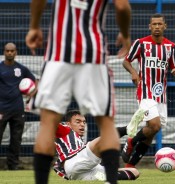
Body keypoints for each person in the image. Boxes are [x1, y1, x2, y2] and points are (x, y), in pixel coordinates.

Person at [25, 0, 131, 184]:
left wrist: (34, 26)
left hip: (58, 54)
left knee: (48, 123)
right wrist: (125, 34)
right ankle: (111, 181)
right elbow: (122, 6)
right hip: (94, 55)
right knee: (106, 124)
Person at [122, 13, 175, 168]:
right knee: (154, 126)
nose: (157, 27)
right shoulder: (141, 43)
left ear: (165, 26)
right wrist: (134, 73)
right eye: (154, 24)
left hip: (161, 95)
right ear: (150, 26)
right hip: (145, 91)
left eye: (160, 24)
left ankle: (130, 166)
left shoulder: (171, 46)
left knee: (152, 131)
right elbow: (126, 61)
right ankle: (130, 141)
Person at [54, 110, 139, 181]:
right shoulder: (65, 129)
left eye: (84, 122)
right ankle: (127, 129)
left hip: (80, 174)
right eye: (78, 122)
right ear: (68, 124)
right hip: (73, 162)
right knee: (97, 143)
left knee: (134, 172)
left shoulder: (78, 140)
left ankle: (104, 177)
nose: (82, 124)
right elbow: (51, 122)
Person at [0, 42, 36, 170]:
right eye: (7, 51)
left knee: (16, 139)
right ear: (4, 52)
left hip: (17, 109)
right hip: (2, 109)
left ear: (16, 52)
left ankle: (13, 165)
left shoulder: (22, 69)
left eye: (12, 51)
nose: (9, 53)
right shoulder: (0, 68)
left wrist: (31, 95)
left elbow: (34, 82)